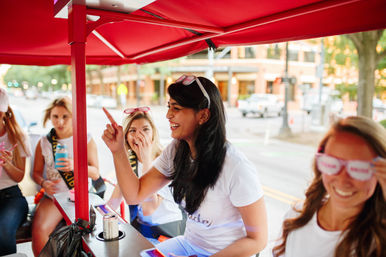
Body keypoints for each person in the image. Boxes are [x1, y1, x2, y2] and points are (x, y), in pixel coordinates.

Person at [103, 75, 268, 257]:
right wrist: (118, 150)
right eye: (169, 107)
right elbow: (135, 194)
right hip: (188, 245)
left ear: (203, 115)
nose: (168, 115)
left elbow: (258, 240)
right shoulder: (176, 151)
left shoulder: (236, 167)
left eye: (177, 108)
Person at [272, 116, 386, 257]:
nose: (343, 180)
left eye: (359, 169)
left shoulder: (379, 240)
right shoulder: (297, 218)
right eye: (332, 164)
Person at [31, 97, 100, 256]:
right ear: (49, 117)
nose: (60, 122)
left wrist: (75, 165)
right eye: (55, 117)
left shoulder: (85, 139)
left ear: (73, 116)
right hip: (53, 197)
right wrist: (43, 183)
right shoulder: (44, 141)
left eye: (65, 117)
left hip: (80, 197)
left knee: (88, 238)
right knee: (40, 231)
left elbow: (95, 172)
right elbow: (35, 173)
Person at [107, 106, 184, 240]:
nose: (139, 135)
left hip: (168, 232)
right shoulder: (131, 163)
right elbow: (113, 203)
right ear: (126, 138)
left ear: (153, 134)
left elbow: (149, 208)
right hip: (143, 232)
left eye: (145, 130)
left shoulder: (165, 161)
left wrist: (146, 157)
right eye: (132, 130)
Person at [0, 87, 31, 255]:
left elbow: (19, 176)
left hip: (11, 197)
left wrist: (7, 163)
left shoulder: (18, 138)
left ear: (4, 113)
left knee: (3, 232)